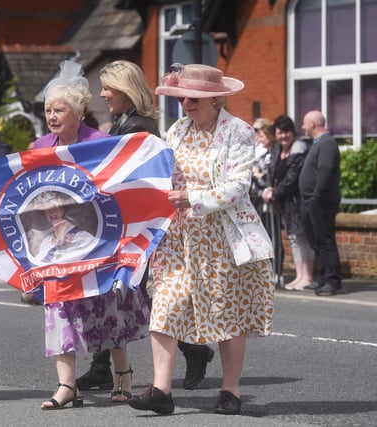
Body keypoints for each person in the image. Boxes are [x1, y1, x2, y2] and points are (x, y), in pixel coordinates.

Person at [128, 63, 274, 416]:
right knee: (164, 306)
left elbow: (238, 187)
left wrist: (193, 198)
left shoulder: (238, 131)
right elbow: (161, 174)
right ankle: (161, 390)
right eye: (181, 98)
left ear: (214, 99)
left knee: (225, 313)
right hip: (178, 237)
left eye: (193, 99)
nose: (186, 105)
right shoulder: (177, 130)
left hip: (222, 237)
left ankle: (230, 389)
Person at [75, 59, 214, 394]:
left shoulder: (139, 127)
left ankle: (193, 350)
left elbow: (137, 180)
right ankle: (101, 366)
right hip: (121, 224)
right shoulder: (123, 122)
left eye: (108, 87)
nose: (103, 93)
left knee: (139, 296)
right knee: (114, 293)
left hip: (137, 227)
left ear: (125, 90)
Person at [33, 60, 150, 408]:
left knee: (108, 306)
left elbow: (120, 191)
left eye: (59, 110)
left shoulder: (100, 143)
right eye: (48, 110)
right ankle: (66, 386)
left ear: (79, 111)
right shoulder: (38, 147)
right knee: (58, 307)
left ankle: (122, 373)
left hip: (97, 240)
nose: (52, 116)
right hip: (56, 245)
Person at [262, 115, 314, 291]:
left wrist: (274, 193)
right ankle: (300, 276)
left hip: (297, 200)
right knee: (293, 238)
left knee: (301, 238)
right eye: (280, 132)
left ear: (292, 132)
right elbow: (272, 170)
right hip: (285, 202)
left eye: (287, 132)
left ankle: (307, 276)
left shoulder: (299, 148)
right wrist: (269, 187)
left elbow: (292, 178)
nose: (283, 136)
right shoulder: (278, 149)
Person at [299, 111, 343, 296]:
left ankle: (333, 280)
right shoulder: (318, 144)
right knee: (317, 242)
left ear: (314, 123)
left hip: (321, 202)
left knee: (325, 241)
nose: (303, 127)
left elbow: (325, 173)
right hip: (312, 201)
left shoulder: (327, 143)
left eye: (304, 123)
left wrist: (316, 197)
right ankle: (324, 278)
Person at [250, 118, 284, 287]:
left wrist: (260, 178)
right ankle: (266, 272)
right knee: (262, 237)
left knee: (275, 237)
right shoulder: (259, 151)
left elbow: (270, 176)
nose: (257, 136)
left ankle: (277, 272)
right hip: (259, 198)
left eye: (259, 132)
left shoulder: (275, 152)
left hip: (272, 201)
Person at [25, 191, 96, 264]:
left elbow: (74, 257)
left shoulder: (82, 234)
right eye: (46, 209)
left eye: (55, 206)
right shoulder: (46, 242)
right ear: (43, 215)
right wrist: (56, 238)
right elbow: (37, 261)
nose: (51, 211)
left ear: (63, 209)